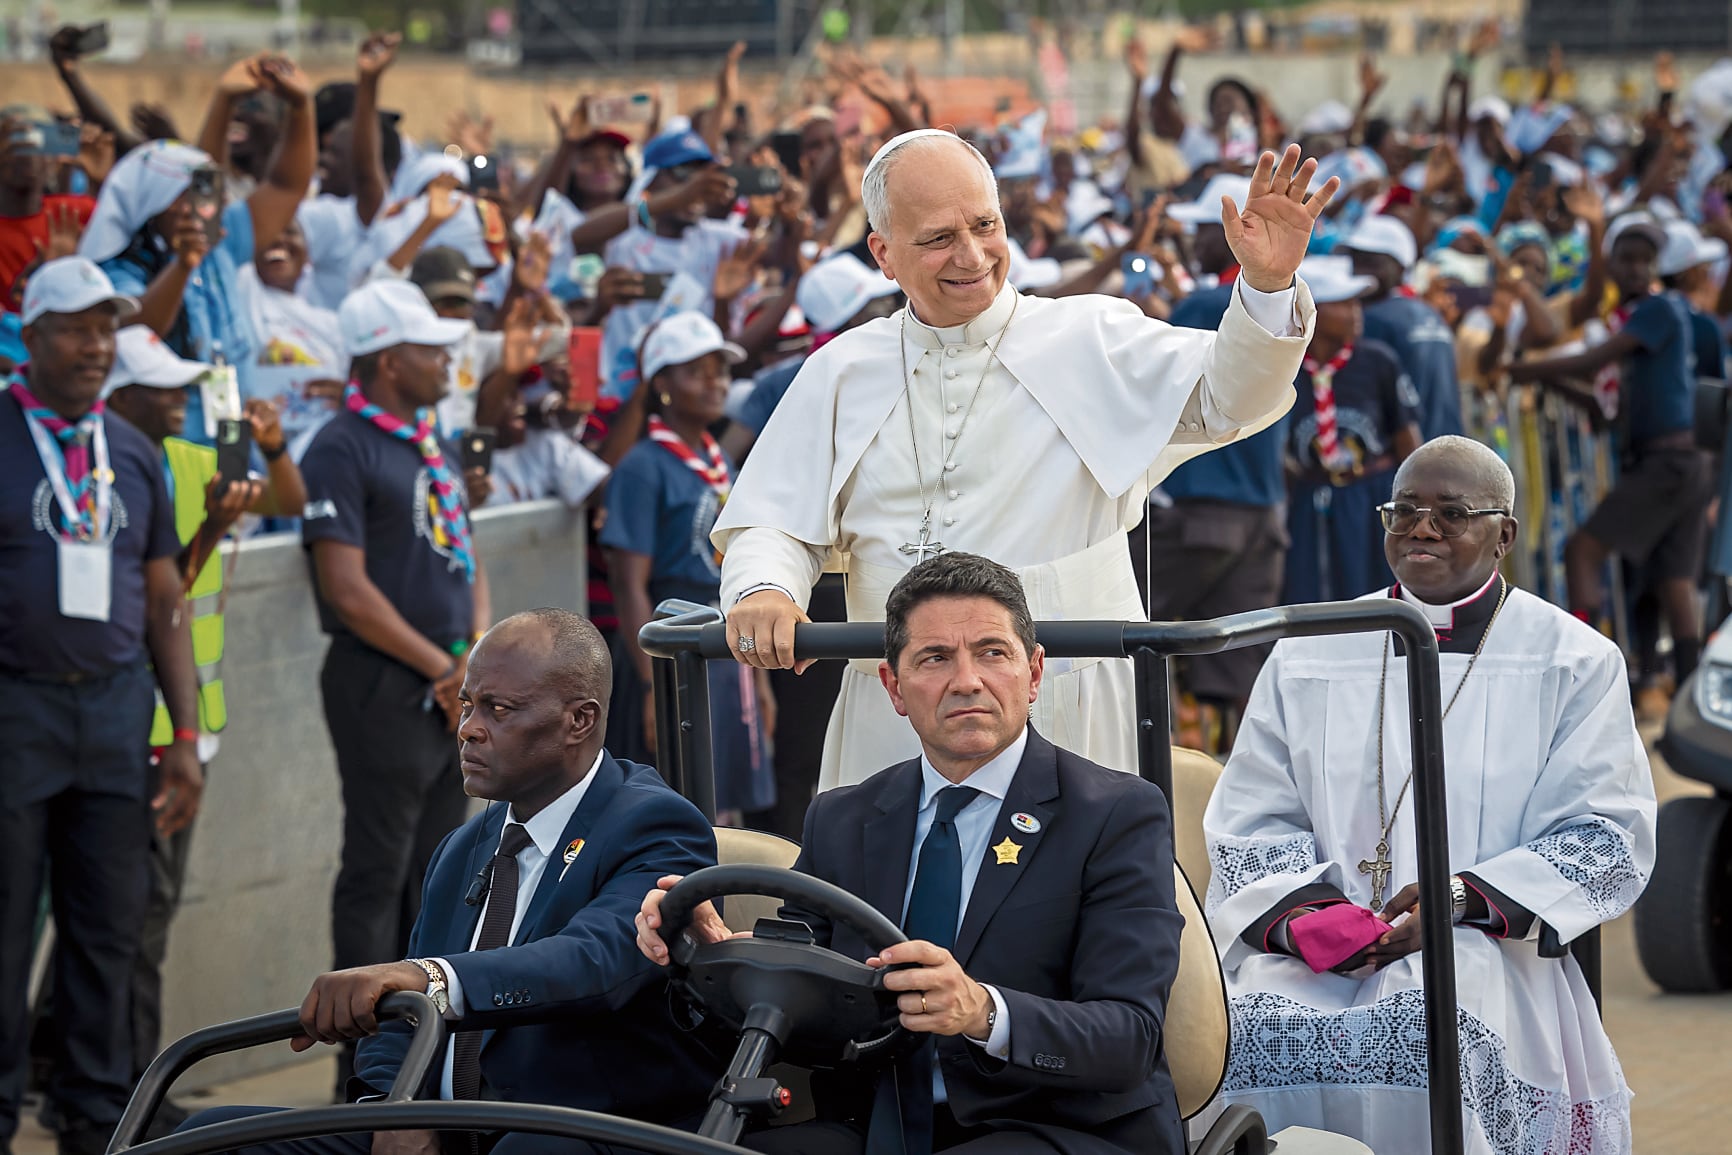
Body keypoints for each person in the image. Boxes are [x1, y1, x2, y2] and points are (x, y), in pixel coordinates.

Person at [716, 131, 1337, 791]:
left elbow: (1230, 395)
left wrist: (1267, 287)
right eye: (937, 238)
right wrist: (764, 590)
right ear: (883, 253)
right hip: (897, 707)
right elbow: (773, 520)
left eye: (985, 225)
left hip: (1065, 698)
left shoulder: (1088, 333)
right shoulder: (839, 371)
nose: (972, 254)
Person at [637, 552, 1187, 1155]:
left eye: (992, 653)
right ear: (894, 689)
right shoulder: (842, 817)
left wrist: (982, 1012)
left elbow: (1129, 1037)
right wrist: (721, 965)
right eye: (935, 659)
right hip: (881, 1123)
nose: (967, 680)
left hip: (1058, 1127)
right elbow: (801, 989)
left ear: (1033, 675)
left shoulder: (1116, 813)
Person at [1202, 436, 1655, 1154]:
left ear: (1504, 534)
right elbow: (1254, 813)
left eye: (1451, 512)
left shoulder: (1572, 659)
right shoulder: (1311, 648)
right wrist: (1312, 917)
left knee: (1428, 1025)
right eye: (1405, 510)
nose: (1421, 528)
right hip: (1319, 945)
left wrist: (1458, 900)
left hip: (1485, 944)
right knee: (1241, 1028)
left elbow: (1606, 833)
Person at [182, 610, 720, 1154]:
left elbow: (592, 960)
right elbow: (397, 1019)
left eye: (498, 709)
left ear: (579, 720)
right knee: (204, 1137)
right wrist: (394, 1109)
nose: (468, 728)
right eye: (466, 704)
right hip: (448, 1128)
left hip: (578, 1129)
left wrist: (429, 978)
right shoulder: (465, 844)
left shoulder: (653, 824)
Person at [0, 257, 201, 1155]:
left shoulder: (130, 448)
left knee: (108, 930)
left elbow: (166, 600)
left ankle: (95, 1121)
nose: (95, 348)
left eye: (105, 330)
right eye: (76, 329)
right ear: (32, 335)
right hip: (15, 710)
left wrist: (185, 735)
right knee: (4, 928)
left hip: (118, 715)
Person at [98, 325, 306, 1108]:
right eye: (159, 387)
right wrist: (215, 528)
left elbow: (289, 501)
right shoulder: (110, 471)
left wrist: (274, 447)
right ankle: (124, 1091)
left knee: (127, 916)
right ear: (116, 398)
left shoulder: (190, 457)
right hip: (134, 729)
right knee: (133, 921)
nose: (178, 398)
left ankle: (82, 1068)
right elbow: (155, 599)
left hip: (186, 728)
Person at [298, 279, 491, 1091]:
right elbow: (346, 587)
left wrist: (474, 661)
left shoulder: (425, 439)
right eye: (427, 346)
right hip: (382, 683)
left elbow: (466, 558)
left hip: (449, 686)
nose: (446, 358)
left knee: (438, 870)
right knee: (378, 870)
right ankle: (363, 1068)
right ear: (384, 359)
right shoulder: (339, 444)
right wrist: (439, 666)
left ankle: (423, 1055)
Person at [1508, 212, 1711, 684]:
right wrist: (1550, 380)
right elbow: (1606, 412)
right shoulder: (1642, 318)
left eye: (1647, 259)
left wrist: (1525, 371)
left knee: (1583, 550)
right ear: (1612, 265)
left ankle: (1585, 674)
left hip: (1668, 460)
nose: (1638, 268)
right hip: (1676, 461)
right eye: (1628, 258)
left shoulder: (1659, 310)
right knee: (1673, 580)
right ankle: (1685, 690)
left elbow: (1596, 359)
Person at [1126, 174, 1288, 752]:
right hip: (1263, 519)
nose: (1193, 240)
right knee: (1240, 661)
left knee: (1137, 637)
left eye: (1202, 228)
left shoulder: (1200, 303)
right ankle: (1244, 786)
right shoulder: (1285, 304)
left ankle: (1161, 783)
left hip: (1198, 515)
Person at [78, 58, 317, 443]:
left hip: (234, 439)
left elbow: (287, 186)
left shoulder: (220, 245)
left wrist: (302, 108)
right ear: (155, 204)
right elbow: (141, 328)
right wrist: (182, 266)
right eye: (187, 197)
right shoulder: (120, 268)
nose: (206, 208)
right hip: (166, 448)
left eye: (209, 197)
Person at [602, 312, 775, 818]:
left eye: (720, 370)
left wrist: (759, 678)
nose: (715, 382)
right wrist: (655, 684)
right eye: (696, 371)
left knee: (722, 803)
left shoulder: (723, 465)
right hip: (670, 645)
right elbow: (629, 584)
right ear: (662, 385)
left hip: (724, 643)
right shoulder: (642, 467)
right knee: (676, 799)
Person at [1283, 254, 1423, 604]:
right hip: (1310, 500)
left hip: (1370, 497)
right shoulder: (1286, 369)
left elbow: (1408, 440)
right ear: (1312, 311)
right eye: (1343, 304)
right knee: (1313, 594)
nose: (1356, 313)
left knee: (1377, 593)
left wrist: (1415, 508)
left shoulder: (1377, 361)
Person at [1339, 212, 1466, 439]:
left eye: (1371, 262)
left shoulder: (1372, 319)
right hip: (1445, 449)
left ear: (1399, 268)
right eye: (1355, 260)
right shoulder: (1429, 314)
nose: (1358, 270)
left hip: (1410, 459)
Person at [238, 218, 349, 457]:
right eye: (269, 233)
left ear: (308, 254)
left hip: (319, 450)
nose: (279, 239)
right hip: (255, 450)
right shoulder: (243, 294)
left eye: (291, 233)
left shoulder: (332, 325)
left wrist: (347, 396)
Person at [0, 111, 95, 300]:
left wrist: (99, 182)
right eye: (15, 143)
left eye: (37, 142)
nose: (27, 154)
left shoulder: (74, 213)